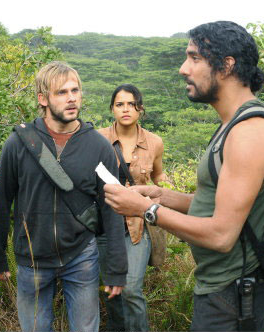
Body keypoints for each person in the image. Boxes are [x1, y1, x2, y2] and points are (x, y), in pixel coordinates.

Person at [103, 21, 264, 331]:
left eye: (194, 58)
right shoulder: (232, 125)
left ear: (226, 66)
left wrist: (146, 211)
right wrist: (163, 196)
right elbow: (221, 204)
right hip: (223, 290)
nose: (184, 69)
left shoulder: (249, 133)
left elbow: (222, 236)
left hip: (235, 295)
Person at [0, 61, 127, 332]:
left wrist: (117, 269)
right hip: (31, 258)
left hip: (82, 255)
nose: (72, 98)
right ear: (43, 99)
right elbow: (2, 201)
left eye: (75, 90)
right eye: (61, 92)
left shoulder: (99, 147)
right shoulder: (18, 144)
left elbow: (112, 207)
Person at [97, 84, 169, 331]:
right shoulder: (97, 139)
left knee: (130, 287)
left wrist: (172, 200)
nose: (125, 109)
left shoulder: (154, 142)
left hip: (138, 226)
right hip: (105, 225)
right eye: (120, 104)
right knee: (113, 290)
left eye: (131, 104)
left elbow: (159, 178)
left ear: (140, 109)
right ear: (112, 109)